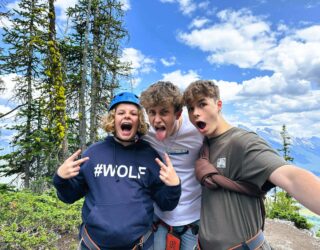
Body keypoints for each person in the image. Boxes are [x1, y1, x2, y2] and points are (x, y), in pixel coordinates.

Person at [183, 80, 320, 250]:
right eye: (190, 108)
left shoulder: (242, 142)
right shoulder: (205, 145)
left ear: (218, 105)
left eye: (202, 104)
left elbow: (289, 176)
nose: (195, 113)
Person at [53, 92, 181, 250]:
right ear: (113, 119)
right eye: (121, 113)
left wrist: (174, 186)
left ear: (139, 120)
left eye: (133, 113)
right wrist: (60, 179)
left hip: (140, 245)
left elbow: (166, 203)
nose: (127, 116)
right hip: (92, 245)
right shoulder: (93, 154)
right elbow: (68, 197)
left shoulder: (149, 156)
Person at [140, 81, 203, 250]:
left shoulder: (197, 132)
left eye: (164, 112)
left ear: (178, 113)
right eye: (152, 112)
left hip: (193, 218)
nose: (157, 119)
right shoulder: (146, 134)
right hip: (160, 216)